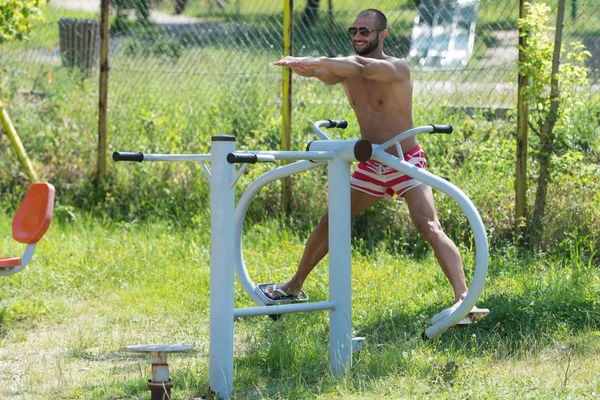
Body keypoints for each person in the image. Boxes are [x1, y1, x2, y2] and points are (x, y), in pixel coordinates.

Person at [266, 8, 486, 323]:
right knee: (332, 218)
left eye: (365, 31)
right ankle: (293, 287)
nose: (357, 36)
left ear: (381, 35)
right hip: (371, 162)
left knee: (428, 225)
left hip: (404, 160)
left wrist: (319, 60)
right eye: (353, 30)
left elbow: (362, 66)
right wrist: (304, 67)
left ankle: (464, 301)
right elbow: (326, 73)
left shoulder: (395, 68)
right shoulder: (345, 69)